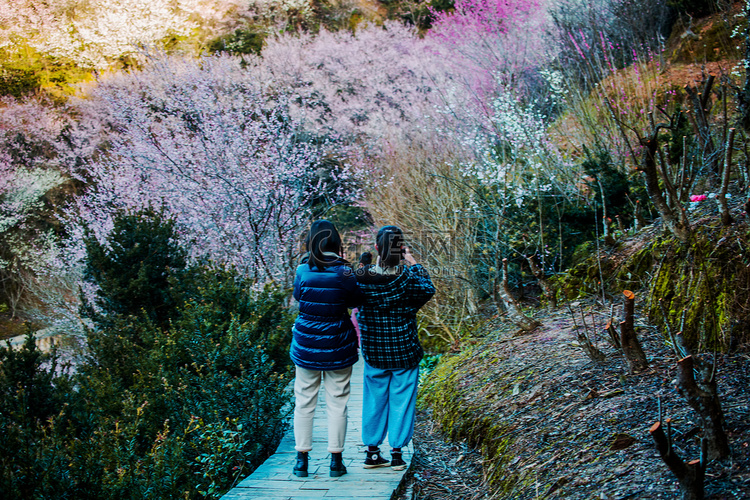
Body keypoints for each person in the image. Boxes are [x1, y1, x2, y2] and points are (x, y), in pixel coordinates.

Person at [355, 225, 435, 471]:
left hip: (375, 351)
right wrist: (412, 261)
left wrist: (363, 265)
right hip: (404, 349)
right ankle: (398, 453)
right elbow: (428, 289)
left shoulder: (363, 277)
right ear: (401, 249)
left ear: (377, 247)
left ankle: (372, 452)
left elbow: (352, 296)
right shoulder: (407, 277)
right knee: (402, 400)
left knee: (374, 399)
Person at [290, 220, 363, 478]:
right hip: (337, 343)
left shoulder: (302, 269)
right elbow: (356, 301)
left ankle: (301, 461)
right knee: (338, 402)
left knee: (304, 402)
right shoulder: (344, 271)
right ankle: (336, 461)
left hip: (307, 344)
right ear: (336, 242)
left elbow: (300, 297)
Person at [350, 251, 373, 344]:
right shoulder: (376, 274)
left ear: (360, 264)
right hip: (371, 309)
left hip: (357, 307)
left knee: (357, 329)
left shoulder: (355, 275)